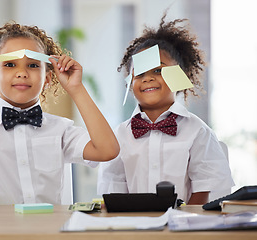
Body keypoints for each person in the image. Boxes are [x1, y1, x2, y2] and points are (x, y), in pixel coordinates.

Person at [0, 22, 119, 205]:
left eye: (33, 65)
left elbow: (107, 150)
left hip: (47, 231)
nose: (22, 72)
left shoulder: (62, 130)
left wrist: (76, 88)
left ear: (48, 78)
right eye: (9, 64)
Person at [97, 14, 234, 205]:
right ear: (129, 83)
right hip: (133, 228)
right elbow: (112, 189)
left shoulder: (198, 132)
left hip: (184, 228)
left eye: (158, 70)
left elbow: (206, 187)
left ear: (181, 76)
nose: (148, 78)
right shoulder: (118, 137)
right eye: (140, 74)